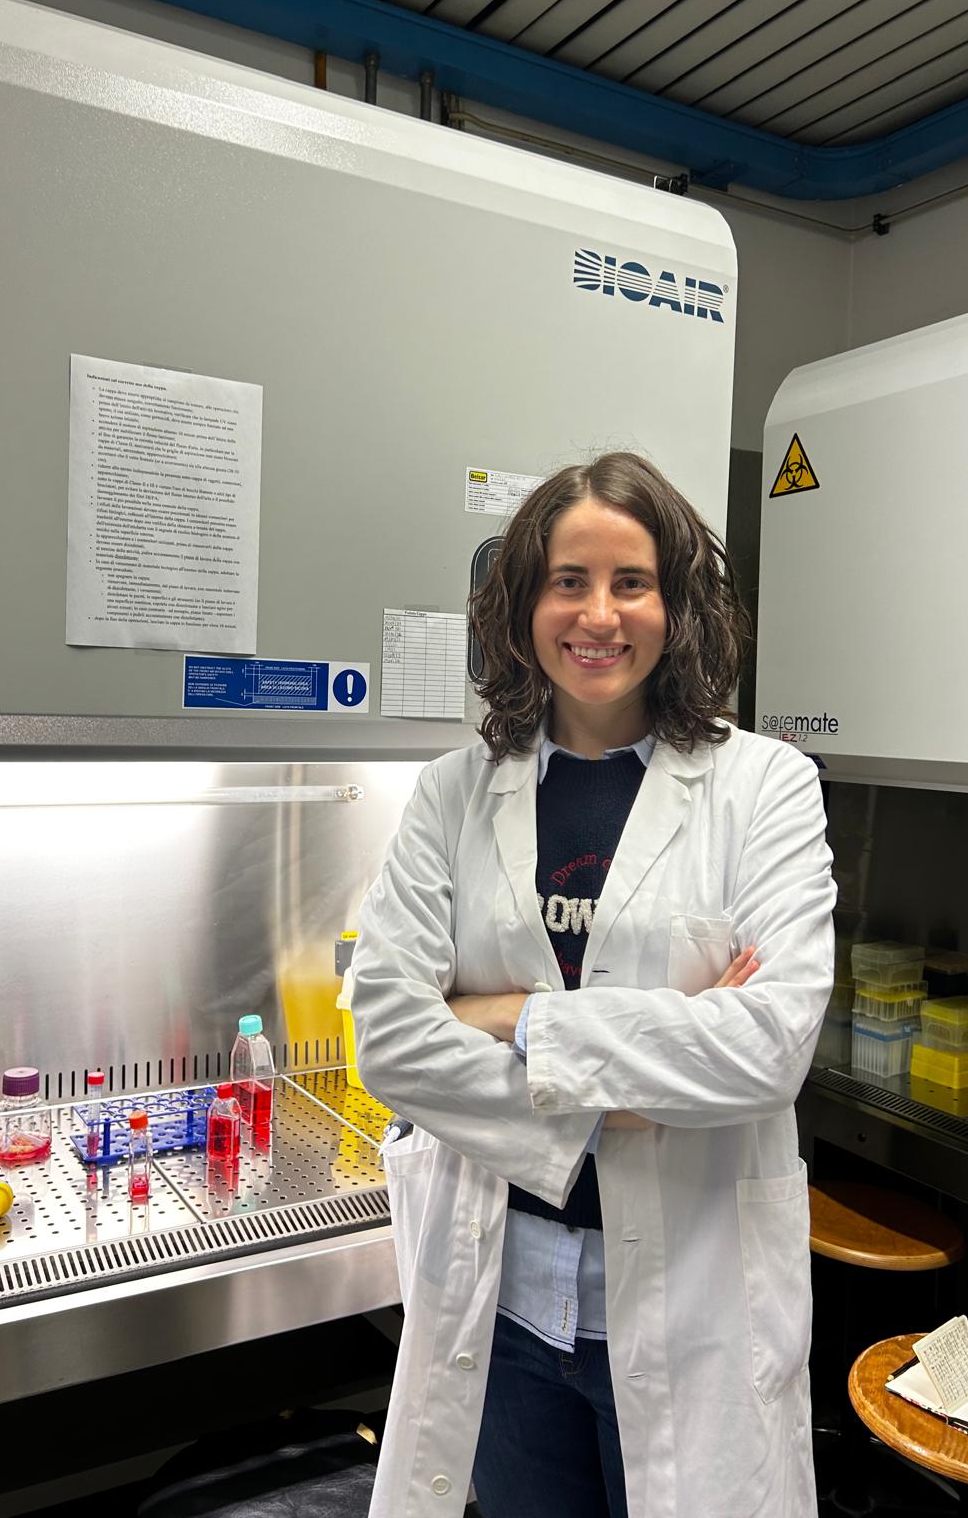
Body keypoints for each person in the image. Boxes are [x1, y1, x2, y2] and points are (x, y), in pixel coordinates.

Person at [351, 452, 836, 1518]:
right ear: (524, 602)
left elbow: (766, 1048)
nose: (599, 614)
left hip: (694, 1297)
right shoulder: (450, 794)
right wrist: (642, 1060)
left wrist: (500, 1016)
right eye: (568, 580)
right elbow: (387, 1040)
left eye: (632, 582)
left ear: (677, 605)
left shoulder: (765, 789)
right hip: (505, 1299)